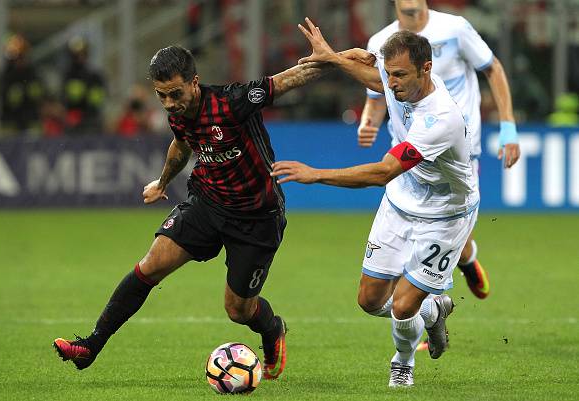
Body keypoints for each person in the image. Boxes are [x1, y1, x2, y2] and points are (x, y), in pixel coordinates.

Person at [53, 45, 331, 379]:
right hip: (208, 202)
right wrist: (162, 181)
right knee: (150, 265)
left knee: (238, 309)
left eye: (175, 94)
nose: (170, 104)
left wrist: (337, 59)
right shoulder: (178, 114)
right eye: (161, 96)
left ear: (195, 82)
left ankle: (272, 330)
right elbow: (181, 145)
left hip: (256, 215)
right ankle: (91, 346)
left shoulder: (232, 102)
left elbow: (289, 79)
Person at [272, 19, 479, 387]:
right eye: (390, 74)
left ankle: (402, 362)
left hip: (445, 215)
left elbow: (383, 172)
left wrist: (315, 174)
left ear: (426, 69)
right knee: (369, 301)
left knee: (402, 306)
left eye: (399, 75)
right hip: (401, 203)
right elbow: (374, 80)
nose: (391, 82)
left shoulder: (440, 118)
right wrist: (332, 58)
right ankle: (433, 310)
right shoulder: (404, 84)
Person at [357, 0, 521, 300]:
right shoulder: (381, 42)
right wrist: (369, 121)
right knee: (410, 243)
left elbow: (492, 69)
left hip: (458, 148)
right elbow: (378, 93)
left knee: (446, 229)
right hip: (408, 150)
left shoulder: (455, 28)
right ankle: (426, 316)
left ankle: (465, 259)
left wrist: (508, 127)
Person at [0, 34, 45, 135]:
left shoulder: (32, 74)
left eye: (22, 57)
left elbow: (39, 95)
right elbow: (6, 98)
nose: (20, 62)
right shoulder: (7, 76)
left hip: (31, 120)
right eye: (17, 58)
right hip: (10, 121)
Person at [61, 36, 106, 135]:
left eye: (83, 54)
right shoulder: (68, 75)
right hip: (73, 119)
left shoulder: (94, 75)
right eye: (77, 55)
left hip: (91, 119)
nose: (80, 58)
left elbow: (98, 98)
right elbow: (65, 97)